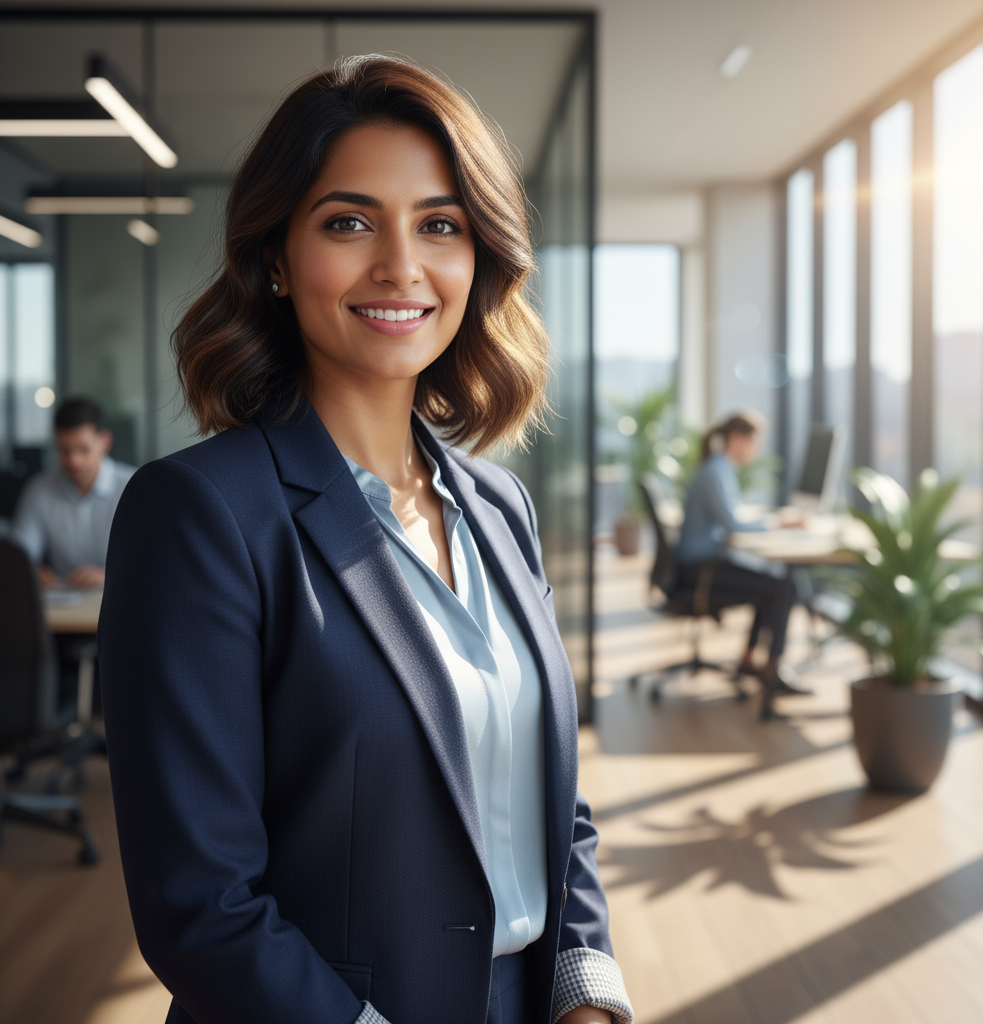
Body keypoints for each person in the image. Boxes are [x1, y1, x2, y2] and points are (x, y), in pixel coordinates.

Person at [98, 57, 632, 1024]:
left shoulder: (501, 506)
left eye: (440, 225)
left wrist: (586, 997)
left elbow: (554, 805)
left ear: (479, 258)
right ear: (275, 255)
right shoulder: (200, 515)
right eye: (348, 222)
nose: (400, 265)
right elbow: (201, 905)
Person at [675, 411, 804, 701]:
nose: (756, 451)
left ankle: (750, 659)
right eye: (754, 443)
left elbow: (731, 517)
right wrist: (778, 522)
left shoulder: (719, 469)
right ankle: (772, 670)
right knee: (784, 587)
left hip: (701, 564)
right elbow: (733, 523)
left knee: (773, 584)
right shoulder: (716, 471)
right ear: (736, 439)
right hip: (700, 572)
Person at [10, 396, 135, 590]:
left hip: (121, 602)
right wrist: (29, 571)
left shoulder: (133, 486)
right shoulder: (39, 490)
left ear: (105, 441)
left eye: (83, 450)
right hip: (61, 612)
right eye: (64, 450)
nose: (73, 461)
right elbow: (18, 555)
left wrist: (110, 577)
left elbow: (156, 560)